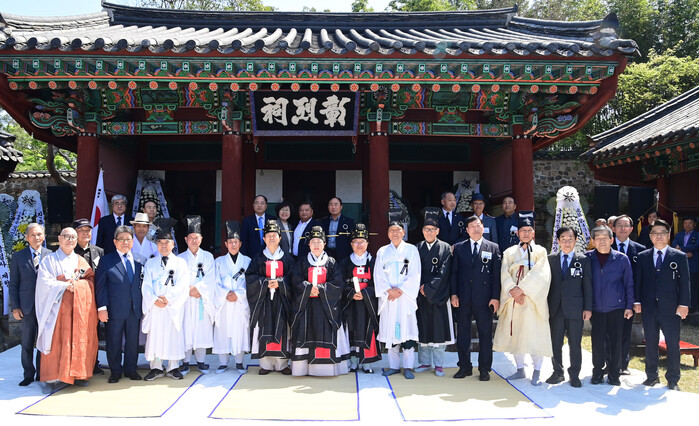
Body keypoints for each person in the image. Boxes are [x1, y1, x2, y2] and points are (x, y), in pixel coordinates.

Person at [35, 227, 98, 393]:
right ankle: (51, 378)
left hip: (76, 311)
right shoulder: (49, 260)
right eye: (67, 236)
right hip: (56, 310)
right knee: (55, 342)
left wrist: (77, 285)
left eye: (73, 237)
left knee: (77, 341)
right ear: (59, 238)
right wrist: (64, 284)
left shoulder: (80, 260)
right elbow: (44, 283)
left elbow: (90, 281)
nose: (70, 240)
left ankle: (77, 375)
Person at [493, 212, 552, 386]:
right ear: (517, 233)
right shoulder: (509, 252)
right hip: (513, 300)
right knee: (516, 335)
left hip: (532, 300)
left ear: (533, 232)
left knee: (534, 335)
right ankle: (520, 369)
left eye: (529, 230)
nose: (526, 233)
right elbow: (504, 273)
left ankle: (537, 371)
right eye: (522, 231)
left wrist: (523, 289)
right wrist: (513, 290)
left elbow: (542, 275)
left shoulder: (540, 251)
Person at [635, 219, 691, 391]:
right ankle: (652, 376)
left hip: (671, 307)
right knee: (651, 342)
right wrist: (637, 301)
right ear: (650, 236)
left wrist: (684, 304)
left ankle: (673, 379)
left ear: (668, 235)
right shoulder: (643, 256)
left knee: (672, 343)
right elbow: (638, 282)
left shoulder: (679, 256)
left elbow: (685, 282)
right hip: (649, 307)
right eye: (655, 233)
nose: (659, 236)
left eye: (662, 233)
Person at [289, 226, 349, 376]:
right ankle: (303, 368)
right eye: (313, 242)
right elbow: (295, 281)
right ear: (309, 244)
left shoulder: (332, 262)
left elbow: (338, 283)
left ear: (324, 244)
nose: (316, 245)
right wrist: (308, 288)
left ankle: (326, 369)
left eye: (319, 242)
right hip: (306, 306)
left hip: (326, 308)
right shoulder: (302, 262)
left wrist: (321, 289)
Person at [450, 215, 501, 381]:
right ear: (467, 230)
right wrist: (453, 294)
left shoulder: (493, 247)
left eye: (478, 225)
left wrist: (495, 297)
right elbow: (454, 273)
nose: (476, 229)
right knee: (463, 334)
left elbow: (496, 276)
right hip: (463, 298)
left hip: (485, 299)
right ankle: (464, 367)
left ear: (483, 227)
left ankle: (484, 369)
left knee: (485, 334)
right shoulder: (459, 248)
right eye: (472, 226)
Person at [141, 218, 190, 381]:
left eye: (166, 242)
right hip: (155, 307)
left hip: (173, 306)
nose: (163, 245)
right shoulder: (150, 263)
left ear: (173, 244)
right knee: (156, 336)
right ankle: (156, 367)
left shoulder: (181, 263)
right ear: (157, 244)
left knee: (173, 335)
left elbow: (183, 285)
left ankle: (173, 366)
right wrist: (154, 300)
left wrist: (168, 298)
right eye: (160, 242)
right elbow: (146, 285)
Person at [375, 211, 422, 380]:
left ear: (403, 232)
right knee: (391, 333)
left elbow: (415, 273)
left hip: (405, 298)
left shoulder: (411, 250)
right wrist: (389, 290)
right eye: (391, 231)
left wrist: (400, 290)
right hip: (389, 298)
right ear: (388, 233)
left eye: (397, 230)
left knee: (407, 332)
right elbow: (378, 274)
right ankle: (394, 366)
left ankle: (408, 366)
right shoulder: (382, 251)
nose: (394, 233)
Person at [585, 225, 634, 386]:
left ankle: (614, 374)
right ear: (593, 241)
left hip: (616, 308)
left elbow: (628, 284)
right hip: (596, 309)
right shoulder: (587, 258)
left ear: (611, 240)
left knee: (616, 342)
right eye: (598, 238)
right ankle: (597, 373)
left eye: (605, 238)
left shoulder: (621, 259)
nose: (602, 241)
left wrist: (629, 306)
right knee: (597, 343)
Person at [95, 226, 144, 384]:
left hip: (134, 308)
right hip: (114, 309)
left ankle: (131, 369)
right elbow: (100, 286)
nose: (125, 242)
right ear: (115, 241)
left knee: (132, 341)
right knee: (114, 341)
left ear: (132, 241)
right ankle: (115, 371)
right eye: (121, 239)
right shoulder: (106, 260)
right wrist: (102, 307)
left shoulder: (139, 260)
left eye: (128, 239)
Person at [246, 220, 295, 375]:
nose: (272, 238)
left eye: (275, 235)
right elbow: (250, 277)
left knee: (283, 329)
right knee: (264, 328)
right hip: (264, 300)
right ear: (264, 238)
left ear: (280, 238)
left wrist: (281, 283)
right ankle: (266, 364)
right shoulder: (258, 258)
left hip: (282, 300)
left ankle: (282, 363)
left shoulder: (287, 258)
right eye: (269, 235)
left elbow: (294, 279)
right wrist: (264, 283)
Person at [546, 227, 592, 388]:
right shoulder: (550, 259)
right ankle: (557, 372)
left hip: (575, 309)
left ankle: (575, 375)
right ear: (558, 241)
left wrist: (588, 308)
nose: (567, 242)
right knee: (555, 343)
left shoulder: (583, 260)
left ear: (576, 240)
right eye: (563, 239)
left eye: (570, 238)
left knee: (575, 344)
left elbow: (588, 286)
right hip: (555, 309)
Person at [414, 208, 455, 377]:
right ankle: (424, 362)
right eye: (426, 229)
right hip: (420, 295)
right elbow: (413, 271)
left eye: (432, 229)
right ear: (422, 231)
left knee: (439, 329)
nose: (429, 232)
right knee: (422, 328)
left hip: (439, 295)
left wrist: (429, 288)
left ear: (437, 231)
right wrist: (420, 287)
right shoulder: (417, 247)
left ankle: (439, 364)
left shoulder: (445, 248)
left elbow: (444, 272)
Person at [9, 223, 51, 386]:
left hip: (45, 306)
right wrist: (15, 307)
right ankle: (28, 374)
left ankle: (42, 372)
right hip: (26, 307)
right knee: (27, 342)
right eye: (33, 235)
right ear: (27, 237)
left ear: (44, 236)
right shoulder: (18, 257)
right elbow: (13, 284)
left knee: (43, 341)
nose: (36, 237)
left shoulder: (50, 255)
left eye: (39, 234)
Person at [339, 223, 381, 374]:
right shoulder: (344, 262)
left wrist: (366, 293)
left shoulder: (374, 262)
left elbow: (380, 283)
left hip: (368, 303)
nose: (359, 245)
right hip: (351, 303)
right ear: (351, 244)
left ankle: (367, 362)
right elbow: (339, 282)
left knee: (367, 330)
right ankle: (353, 361)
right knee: (351, 330)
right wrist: (350, 293)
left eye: (362, 242)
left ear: (367, 243)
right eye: (356, 242)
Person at [179, 215, 216, 375]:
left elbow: (211, 277)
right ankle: (185, 362)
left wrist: (199, 289)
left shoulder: (208, 257)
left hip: (202, 299)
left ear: (201, 239)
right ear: (186, 239)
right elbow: (177, 279)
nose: (194, 241)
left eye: (197, 238)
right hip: (186, 299)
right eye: (191, 238)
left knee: (202, 329)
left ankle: (201, 361)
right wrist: (188, 290)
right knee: (186, 329)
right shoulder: (179, 258)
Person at [214, 221, 251, 374]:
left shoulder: (247, 261)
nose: (233, 244)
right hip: (224, 302)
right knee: (223, 330)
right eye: (230, 242)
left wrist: (238, 294)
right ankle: (223, 362)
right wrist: (225, 294)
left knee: (239, 331)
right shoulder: (219, 262)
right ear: (226, 244)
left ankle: (239, 362)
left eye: (236, 242)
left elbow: (250, 283)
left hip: (239, 302)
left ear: (240, 243)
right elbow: (215, 282)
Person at [611, 215, 645, 375]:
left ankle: (623, 365)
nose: (622, 229)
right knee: (608, 333)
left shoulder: (640, 250)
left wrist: (637, 300)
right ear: (613, 228)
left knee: (625, 332)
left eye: (626, 226)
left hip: (628, 299)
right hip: (608, 298)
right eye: (619, 225)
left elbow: (641, 278)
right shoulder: (606, 246)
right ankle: (609, 363)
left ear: (631, 229)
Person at [672, 216, 698, 311]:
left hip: (693, 265)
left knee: (693, 286)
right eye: (686, 223)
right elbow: (674, 244)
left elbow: (696, 246)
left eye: (690, 223)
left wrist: (681, 250)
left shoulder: (697, 235)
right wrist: (684, 253)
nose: (688, 225)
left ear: (694, 224)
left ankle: (692, 306)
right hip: (680, 265)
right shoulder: (679, 235)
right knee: (681, 285)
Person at [321, 197, 355, 261]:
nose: (333, 207)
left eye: (336, 205)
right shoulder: (323, 221)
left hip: (343, 255)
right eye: (331, 205)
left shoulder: (349, 222)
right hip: (327, 254)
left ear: (341, 207)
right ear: (328, 207)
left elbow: (352, 240)